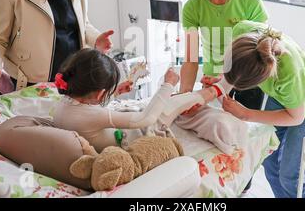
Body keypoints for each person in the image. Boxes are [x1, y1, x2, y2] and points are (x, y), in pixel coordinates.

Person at [51, 48, 243, 154]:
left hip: (113, 135)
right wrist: (167, 85)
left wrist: (115, 92)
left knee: (169, 103)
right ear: (100, 94)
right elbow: (145, 119)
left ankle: (210, 91)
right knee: (170, 106)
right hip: (130, 141)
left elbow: (90, 104)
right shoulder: (92, 114)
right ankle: (219, 88)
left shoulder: (65, 102)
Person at [221, 20, 305, 198]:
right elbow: (233, 72)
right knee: (269, 159)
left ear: (263, 78)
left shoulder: (287, 73)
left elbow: (296, 117)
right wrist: (218, 88)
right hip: (282, 98)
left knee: (291, 179)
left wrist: (246, 114)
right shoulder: (241, 32)